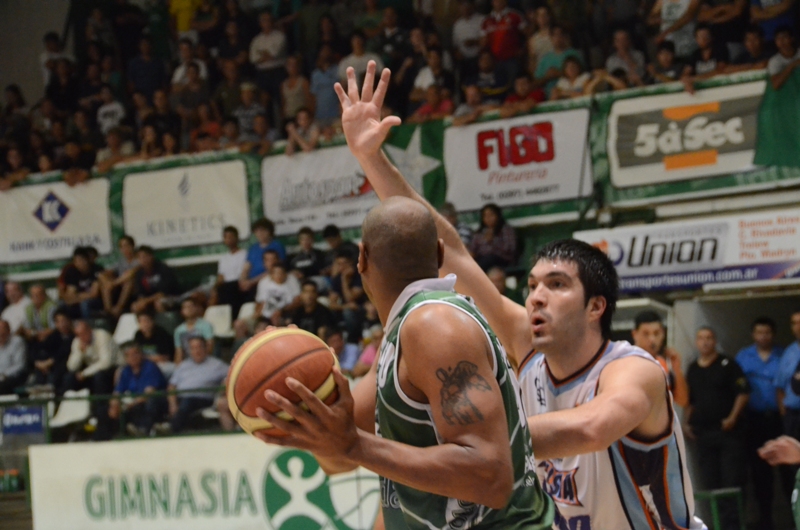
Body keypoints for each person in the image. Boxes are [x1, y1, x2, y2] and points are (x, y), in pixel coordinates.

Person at [333, 60, 704, 529]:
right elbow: (450, 252)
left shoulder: (633, 370)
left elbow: (590, 428)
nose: (536, 298)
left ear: (596, 307)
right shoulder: (524, 346)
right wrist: (370, 158)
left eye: (557, 285)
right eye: (531, 286)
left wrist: (470, 442)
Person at [255, 181, 555, 530]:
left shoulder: (434, 325)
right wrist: (306, 402)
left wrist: (355, 446)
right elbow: (339, 458)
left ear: (361, 258)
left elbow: (489, 477)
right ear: (439, 254)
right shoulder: (400, 335)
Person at [685, 326, 749, 527]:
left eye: (709, 338)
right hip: (704, 434)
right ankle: (717, 524)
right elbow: (690, 400)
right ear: (696, 342)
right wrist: (686, 423)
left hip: (728, 433)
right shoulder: (693, 369)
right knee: (711, 483)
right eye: (701, 338)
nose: (705, 342)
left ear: (715, 341)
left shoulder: (728, 364)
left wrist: (732, 418)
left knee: (731, 481)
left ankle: (733, 525)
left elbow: (743, 392)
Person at [736, 316, 789, 530]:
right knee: (760, 473)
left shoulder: (784, 355)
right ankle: (766, 521)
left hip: (780, 418)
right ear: (753, 334)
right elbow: (737, 388)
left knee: (787, 470)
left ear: (773, 334)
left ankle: (793, 520)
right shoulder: (743, 357)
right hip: (754, 420)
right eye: (759, 332)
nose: (763, 336)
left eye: (767, 333)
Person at [167, 336, 228, 433]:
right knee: (155, 402)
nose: (196, 351)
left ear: (206, 347)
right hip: (180, 398)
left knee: (186, 403)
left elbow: (233, 375)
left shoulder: (217, 365)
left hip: (202, 399)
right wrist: (172, 404)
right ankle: (146, 430)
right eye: (193, 348)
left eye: (199, 347)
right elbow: (172, 386)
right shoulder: (183, 365)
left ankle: (171, 431)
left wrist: (223, 388)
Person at [631, 311, 689, 407]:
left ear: (663, 334)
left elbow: (682, 401)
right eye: (646, 334)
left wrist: (677, 370)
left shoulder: (664, 364)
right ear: (635, 334)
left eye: (656, 333)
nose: (652, 339)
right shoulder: (625, 362)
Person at [109, 342, 167, 437]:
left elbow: (149, 392)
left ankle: (144, 429)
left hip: (154, 401)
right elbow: (117, 391)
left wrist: (131, 404)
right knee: (107, 409)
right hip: (133, 402)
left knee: (149, 403)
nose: (133, 357)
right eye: (129, 355)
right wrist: (114, 404)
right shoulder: (126, 371)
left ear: (141, 354)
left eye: (136, 354)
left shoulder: (150, 367)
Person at [250, 11, 287, 115]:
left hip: (277, 71)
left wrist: (262, 54)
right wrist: (266, 55)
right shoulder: (256, 40)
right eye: (264, 20)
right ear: (260, 23)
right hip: (262, 73)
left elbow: (274, 54)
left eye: (268, 20)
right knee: (264, 103)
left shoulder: (280, 36)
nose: (266, 23)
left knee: (281, 101)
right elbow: (253, 58)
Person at [480, 0, 526, 82]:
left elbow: (527, 33)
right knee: (497, 84)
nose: (498, 2)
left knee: (512, 83)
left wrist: (523, 48)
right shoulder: (486, 20)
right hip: (494, 61)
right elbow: (483, 42)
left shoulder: (515, 15)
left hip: (511, 59)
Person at [239, 217, 287, 295]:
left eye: (262, 230)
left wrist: (251, 282)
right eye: (257, 231)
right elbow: (246, 268)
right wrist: (242, 281)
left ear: (270, 231)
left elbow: (275, 270)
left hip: (267, 282)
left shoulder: (277, 246)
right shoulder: (253, 248)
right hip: (250, 283)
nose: (260, 233)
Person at [534, 25, 583, 97]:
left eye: (560, 35)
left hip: (572, 94)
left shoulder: (574, 54)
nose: (558, 38)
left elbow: (582, 74)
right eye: (555, 35)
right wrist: (547, 77)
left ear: (565, 37)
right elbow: (536, 82)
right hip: (550, 98)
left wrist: (559, 73)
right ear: (551, 38)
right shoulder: (545, 59)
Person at [328, 250, 365, 343]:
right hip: (348, 308)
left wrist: (344, 280)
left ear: (351, 263)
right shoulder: (337, 279)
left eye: (344, 263)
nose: (341, 267)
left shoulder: (359, 276)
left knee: (348, 312)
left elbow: (350, 298)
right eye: (339, 264)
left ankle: (353, 340)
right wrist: (345, 306)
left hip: (363, 307)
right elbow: (331, 304)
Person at [99, 235, 139, 318]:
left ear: (132, 246)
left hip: (135, 288)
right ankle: (108, 311)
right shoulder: (121, 261)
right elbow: (103, 273)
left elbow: (130, 274)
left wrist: (113, 283)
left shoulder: (138, 260)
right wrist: (107, 281)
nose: (125, 249)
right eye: (122, 247)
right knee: (105, 285)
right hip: (119, 288)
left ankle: (118, 309)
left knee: (128, 282)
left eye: (127, 245)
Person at [32, 309, 73, 390]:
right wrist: (39, 363)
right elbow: (42, 348)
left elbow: (63, 353)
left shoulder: (73, 336)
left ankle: (53, 392)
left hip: (64, 366)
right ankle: (40, 392)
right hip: (50, 365)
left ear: (69, 321)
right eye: (58, 322)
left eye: (63, 321)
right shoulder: (54, 336)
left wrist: (49, 362)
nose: (61, 324)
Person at [130, 246, 180, 314]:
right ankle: (145, 320)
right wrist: (141, 302)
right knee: (135, 306)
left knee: (159, 303)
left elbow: (163, 293)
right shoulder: (140, 273)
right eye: (139, 257)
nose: (143, 260)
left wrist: (146, 301)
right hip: (149, 300)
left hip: (171, 297)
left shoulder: (163, 269)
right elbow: (140, 293)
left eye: (144, 256)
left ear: (151, 256)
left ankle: (164, 321)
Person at [212, 226, 247, 319]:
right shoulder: (224, 258)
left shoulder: (245, 254)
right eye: (226, 237)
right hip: (226, 287)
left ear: (237, 238)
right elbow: (221, 276)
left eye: (231, 237)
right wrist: (215, 288)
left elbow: (246, 273)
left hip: (238, 285)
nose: (229, 239)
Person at [468, 203, 517, 271]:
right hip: (482, 259)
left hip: (502, 260)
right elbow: (473, 250)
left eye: (491, 215)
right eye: (485, 216)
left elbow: (510, 248)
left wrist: (492, 242)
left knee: (489, 258)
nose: (488, 218)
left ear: (497, 216)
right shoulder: (479, 233)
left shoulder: (506, 230)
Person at [58, 247, 102, 320]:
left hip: (95, 301)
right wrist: (80, 297)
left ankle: (87, 324)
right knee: (62, 304)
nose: (78, 263)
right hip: (78, 300)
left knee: (85, 304)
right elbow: (70, 294)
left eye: (80, 260)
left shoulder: (96, 269)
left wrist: (78, 297)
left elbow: (94, 293)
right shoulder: (72, 271)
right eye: (76, 261)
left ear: (86, 260)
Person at [254, 261, 301, 325]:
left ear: (285, 274)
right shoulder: (266, 285)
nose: (278, 275)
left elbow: (293, 303)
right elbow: (261, 302)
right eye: (276, 273)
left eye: (280, 273)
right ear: (271, 275)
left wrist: (281, 311)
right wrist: (257, 313)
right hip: (265, 316)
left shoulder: (288, 287)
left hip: (283, 315)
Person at [778, 311, 800, 442]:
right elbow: (780, 386)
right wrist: (784, 412)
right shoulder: (788, 352)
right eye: (794, 323)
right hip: (792, 416)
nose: (798, 327)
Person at [173, 298, 215, 365]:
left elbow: (209, 346)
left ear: (196, 308)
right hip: (187, 363)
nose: (189, 309)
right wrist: (178, 367)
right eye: (185, 307)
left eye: (191, 306)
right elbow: (179, 352)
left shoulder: (206, 325)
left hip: (204, 361)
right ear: (182, 311)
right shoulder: (178, 330)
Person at [133, 311, 175, 377]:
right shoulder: (138, 335)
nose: (144, 324)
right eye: (141, 321)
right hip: (144, 364)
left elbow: (165, 357)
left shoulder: (161, 334)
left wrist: (146, 358)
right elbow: (136, 354)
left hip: (161, 364)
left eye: (146, 321)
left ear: (152, 321)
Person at [452, 0, 485, 79]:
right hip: (463, 61)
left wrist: (474, 42)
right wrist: (457, 53)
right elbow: (455, 45)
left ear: (472, 6)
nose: (464, 8)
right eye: (462, 6)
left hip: (478, 58)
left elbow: (486, 40)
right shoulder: (457, 24)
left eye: (466, 5)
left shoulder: (482, 20)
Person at [768, 26, 800, 90]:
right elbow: (776, 85)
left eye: (784, 37)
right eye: (778, 38)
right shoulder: (774, 61)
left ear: (792, 38)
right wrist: (792, 65)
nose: (781, 41)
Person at [0, 320, 27, 395]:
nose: (0, 334)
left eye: (2, 331)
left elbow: (20, 365)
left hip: (12, 377)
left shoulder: (17, 342)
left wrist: (4, 375)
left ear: (9, 331)